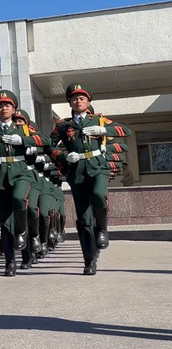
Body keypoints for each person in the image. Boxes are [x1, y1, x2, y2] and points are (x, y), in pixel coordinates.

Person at [50, 83, 131, 275]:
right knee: (84, 219)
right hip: (76, 171)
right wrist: (63, 156)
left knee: (98, 195)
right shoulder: (63, 125)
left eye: (82, 98)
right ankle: (89, 259)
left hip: (98, 166)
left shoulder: (100, 121)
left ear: (88, 101)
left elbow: (125, 130)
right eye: (74, 98)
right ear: (70, 101)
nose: (78, 101)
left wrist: (104, 131)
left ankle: (102, 229)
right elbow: (49, 146)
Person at [0, 90, 44, 277]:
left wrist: (24, 140)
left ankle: (22, 232)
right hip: (0, 176)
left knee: (19, 199)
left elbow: (44, 140)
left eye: (7, 105)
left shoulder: (23, 128)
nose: (3, 108)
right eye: (0, 106)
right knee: (5, 222)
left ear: (14, 109)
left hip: (22, 172)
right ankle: (10, 262)